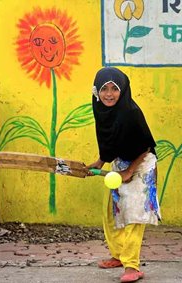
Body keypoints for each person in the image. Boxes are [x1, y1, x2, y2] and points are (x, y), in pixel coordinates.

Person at [87, 67, 161, 283]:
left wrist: (130, 170)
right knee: (111, 212)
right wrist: (101, 161)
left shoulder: (130, 113)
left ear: (123, 90)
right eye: (104, 89)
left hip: (142, 163)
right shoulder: (101, 109)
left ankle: (132, 265)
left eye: (114, 89)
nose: (109, 94)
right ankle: (118, 255)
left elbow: (146, 146)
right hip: (121, 162)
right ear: (96, 92)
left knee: (133, 214)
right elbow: (108, 139)